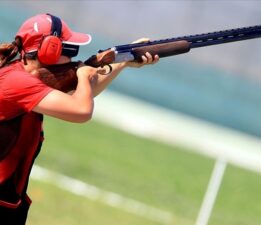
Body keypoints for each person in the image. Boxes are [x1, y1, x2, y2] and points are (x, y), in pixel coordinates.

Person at [0, 13, 159, 224]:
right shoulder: (18, 82)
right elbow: (81, 110)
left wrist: (124, 60)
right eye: (70, 50)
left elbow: (87, 92)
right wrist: (83, 75)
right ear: (50, 50)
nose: (74, 58)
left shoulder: (22, 76)